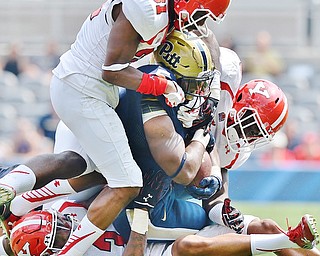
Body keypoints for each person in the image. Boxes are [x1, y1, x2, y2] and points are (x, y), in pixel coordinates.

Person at [0, 1, 232, 255]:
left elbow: (207, 39)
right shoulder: (149, 12)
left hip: (87, 90)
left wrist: (214, 88)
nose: (199, 22)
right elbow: (112, 70)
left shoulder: (167, 14)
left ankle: (13, 197)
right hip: (87, 92)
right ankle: (68, 251)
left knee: (84, 165)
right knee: (126, 183)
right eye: (200, 14)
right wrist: (162, 87)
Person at [0, 192, 318, 256]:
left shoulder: (62, 208)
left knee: (263, 226)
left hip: (158, 220)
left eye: (59, 224)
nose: (66, 225)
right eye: (61, 233)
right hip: (148, 248)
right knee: (187, 248)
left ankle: (302, 247)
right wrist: (139, 215)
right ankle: (291, 239)